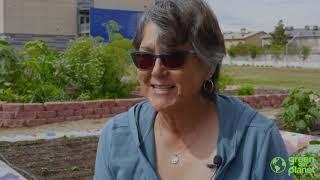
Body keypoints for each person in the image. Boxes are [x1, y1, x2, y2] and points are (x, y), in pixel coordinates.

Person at [94, 0, 292, 179]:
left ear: (209, 66)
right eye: (145, 58)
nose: (156, 71)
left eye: (173, 58)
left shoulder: (258, 141)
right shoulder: (116, 137)